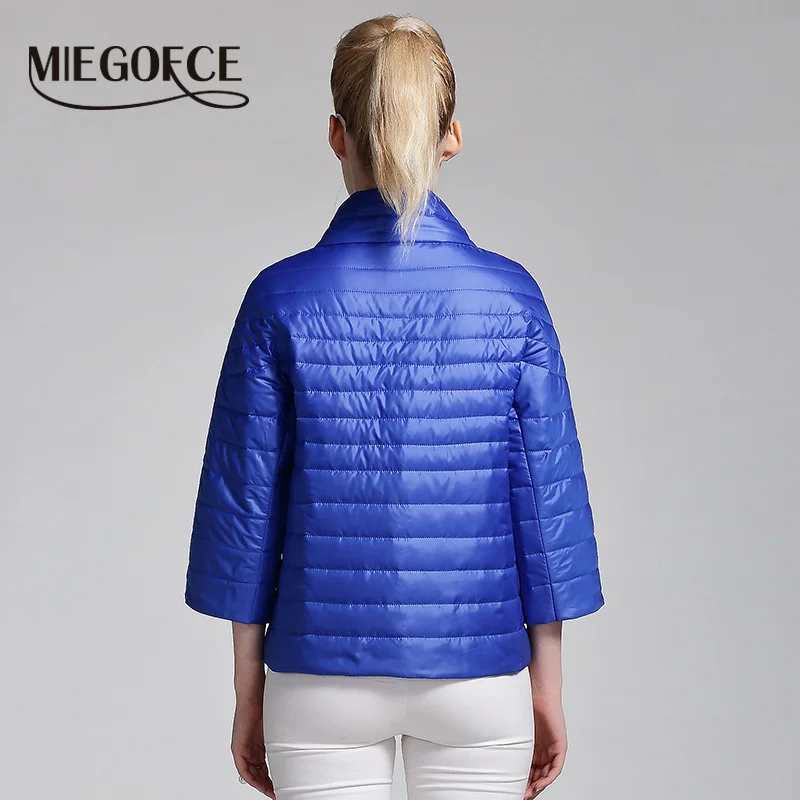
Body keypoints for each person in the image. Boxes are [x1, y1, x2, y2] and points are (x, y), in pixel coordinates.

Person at [184, 13, 605, 800]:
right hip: (479, 675)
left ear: (336, 135)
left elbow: (245, 515)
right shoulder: (512, 298)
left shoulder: (278, 299)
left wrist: (249, 693)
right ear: (451, 138)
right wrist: (547, 687)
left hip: (317, 676)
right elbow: (547, 513)